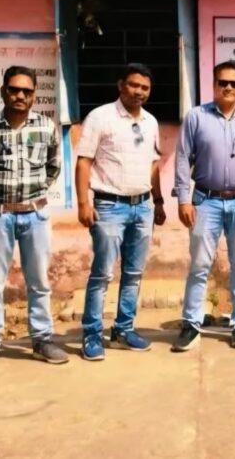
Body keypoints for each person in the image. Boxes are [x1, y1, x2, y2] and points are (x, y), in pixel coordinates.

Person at [0, 65, 66, 375]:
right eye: (14, 89)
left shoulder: (45, 127)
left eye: (27, 91)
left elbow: (53, 167)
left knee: (39, 281)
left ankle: (42, 340)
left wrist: (34, 195)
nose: (20, 95)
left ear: (34, 96)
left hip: (35, 215)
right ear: (3, 91)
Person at [172, 61, 235, 352]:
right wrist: (183, 199)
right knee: (199, 265)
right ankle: (191, 324)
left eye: (234, 83)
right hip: (205, 200)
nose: (228, 87)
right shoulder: (196, 117)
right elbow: (183, 159)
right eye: (223, 82)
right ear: (214, 84)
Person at [76, 63, 166, 360]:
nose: (139, 91)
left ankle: (124, 329)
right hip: (109, 206)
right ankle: (92, 333)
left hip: (143, 206)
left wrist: (158, 201)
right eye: (134, 85)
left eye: (145, 88)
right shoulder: (100, 117)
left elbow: (153, 164)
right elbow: (84, 161)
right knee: (102, 273)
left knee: (134, 273)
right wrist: (83, 203)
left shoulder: (151, 122)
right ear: (120, 85)